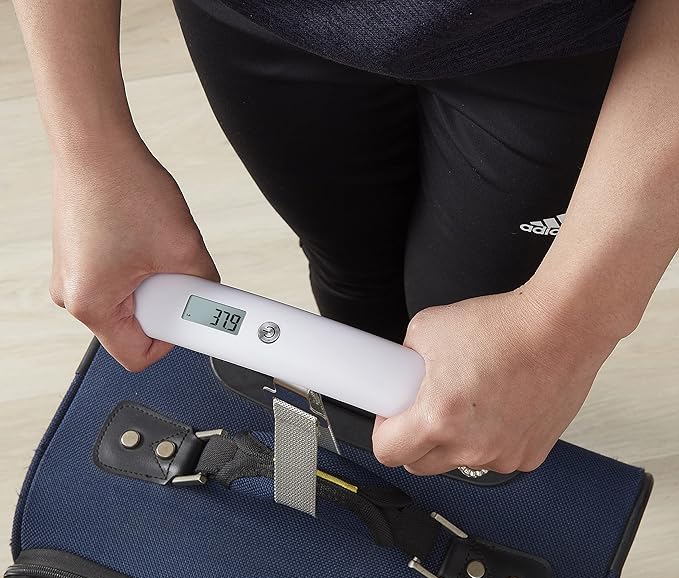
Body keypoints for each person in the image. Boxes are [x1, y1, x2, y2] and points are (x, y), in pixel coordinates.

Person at [12, 0, 679, 476]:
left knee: (465, 329)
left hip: (567, 44)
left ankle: (464, 480)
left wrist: (563, 325)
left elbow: (538, 338)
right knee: (347, 265)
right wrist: (89, 149)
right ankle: (368, 465)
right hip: (257, 21)